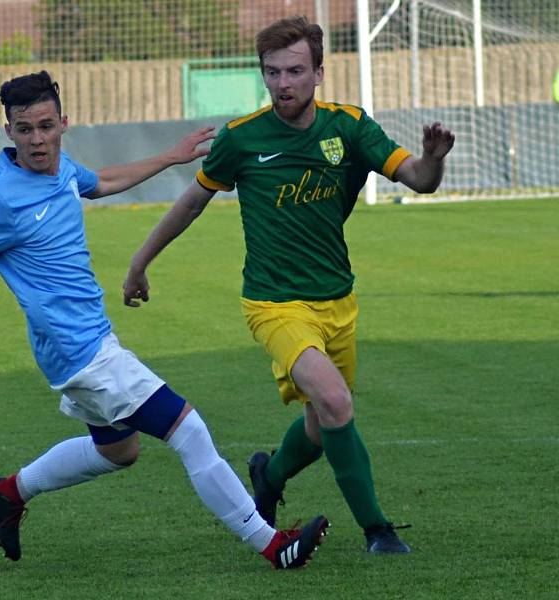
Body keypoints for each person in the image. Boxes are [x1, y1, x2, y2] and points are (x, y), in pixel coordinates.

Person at [0, 71, 329, 569]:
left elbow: (100, 182)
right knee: (189, 432)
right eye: (25, 129)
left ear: (64, 124)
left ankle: (9, 492)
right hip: (83, 353)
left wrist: (170, 157)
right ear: (7, 132)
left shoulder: (59, 170)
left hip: (82, 344)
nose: (38, 139)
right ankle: (273, 545)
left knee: (118, 451)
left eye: (46, 126)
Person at [123, 16, 455, 554]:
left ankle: (269, 478)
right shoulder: (242, 137)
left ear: (319, 73)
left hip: (337, 301)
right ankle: (379, 531)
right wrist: (140, 262)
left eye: (295, 71)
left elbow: (418, 179)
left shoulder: (349, 127)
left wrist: (435, 160)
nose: (283, 83)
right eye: (272, 72)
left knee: (323, 429)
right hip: (274, 304)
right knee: (335, 401)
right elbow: (191, 203)